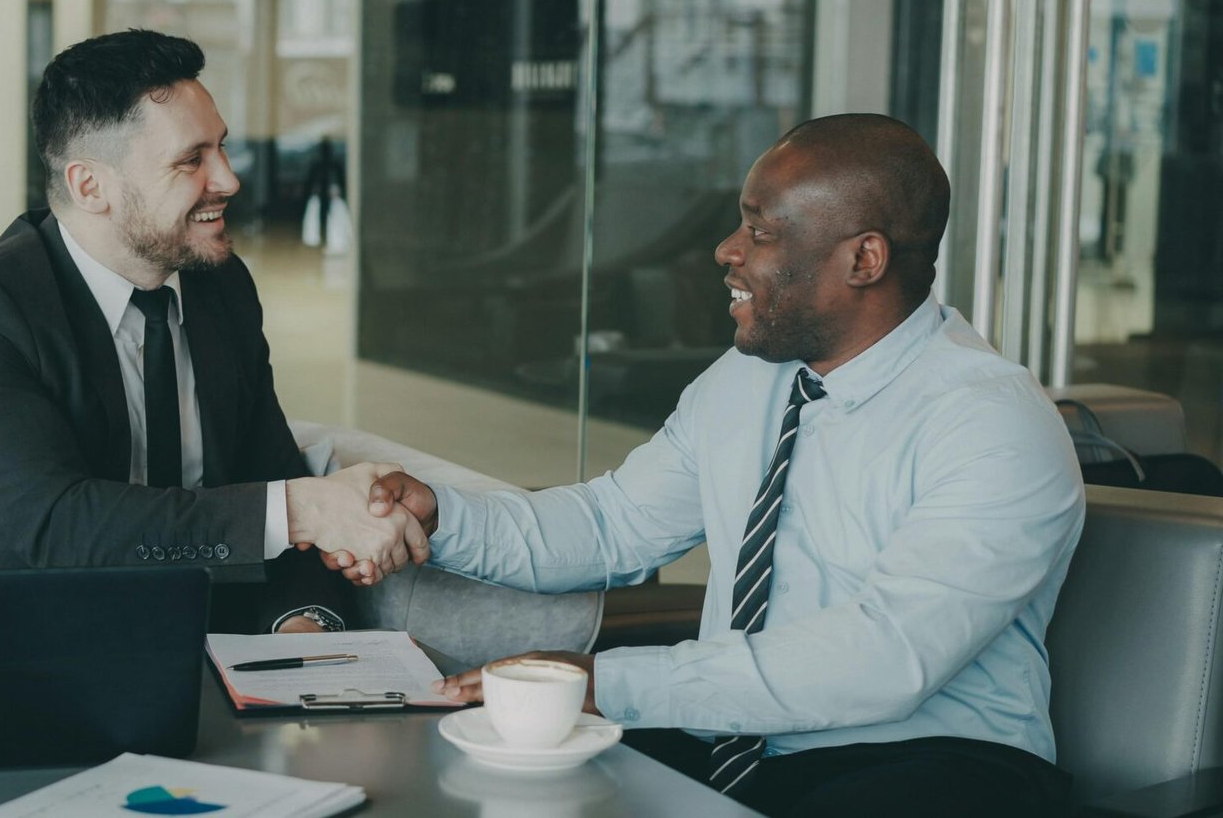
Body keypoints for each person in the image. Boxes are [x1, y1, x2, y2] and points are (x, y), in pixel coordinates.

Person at [355, 114, 1083, 815]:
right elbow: (614, 523)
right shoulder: (752, 378)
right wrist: (443, 514)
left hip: (936, 762)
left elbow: (884, 654)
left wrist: (606, 681)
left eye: (761, 230)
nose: (727, 250)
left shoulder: (992, 424)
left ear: (863, 258)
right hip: (742, 742)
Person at [0, 29, 424, 634]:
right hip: (1, 659)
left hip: (195, 653)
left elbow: (268, 475)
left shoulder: (219, 288)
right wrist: (302, 510)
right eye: (191, 159)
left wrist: (301, 623)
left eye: (221, 148)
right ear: (89, 186)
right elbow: (57, 524)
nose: (227, 179)